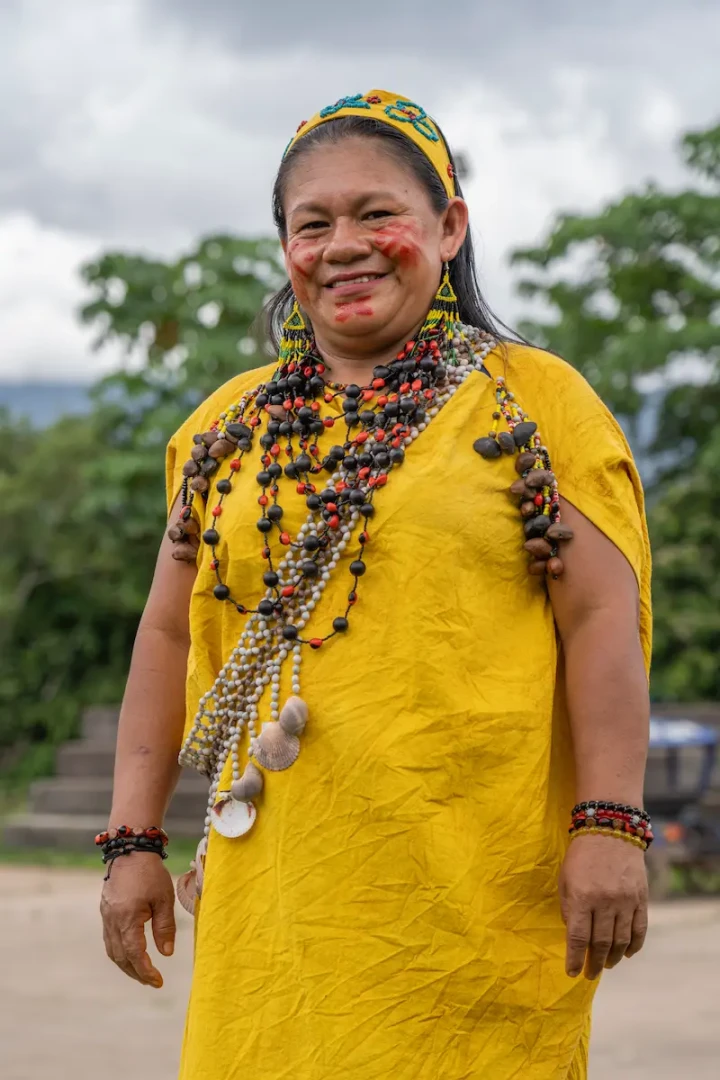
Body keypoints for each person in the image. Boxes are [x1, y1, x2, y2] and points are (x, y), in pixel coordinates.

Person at [99, 90, 653, 1080]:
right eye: (312, 224)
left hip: (472, 898)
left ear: (448, 227)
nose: (343, 244)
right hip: (276, 905)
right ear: (286, 253)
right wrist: (132, 838)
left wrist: (609, 823)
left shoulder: (538, 405)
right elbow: (168, 635)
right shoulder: (227, 430)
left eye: (377, 214)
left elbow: (605, 617)